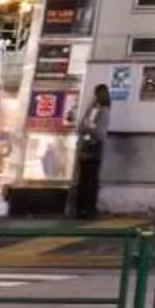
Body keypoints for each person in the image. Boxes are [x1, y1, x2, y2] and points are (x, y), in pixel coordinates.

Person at [70, 84, 108, 219]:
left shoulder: (97, 110)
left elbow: (87, 128)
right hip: (94, 150)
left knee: (85, 180)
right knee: (90, 180)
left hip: (88, 148)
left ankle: (82, 209)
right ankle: (87, 209)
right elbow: (99, 132)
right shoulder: (101, 110)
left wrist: (88, 129)